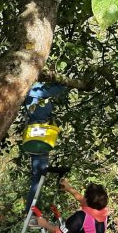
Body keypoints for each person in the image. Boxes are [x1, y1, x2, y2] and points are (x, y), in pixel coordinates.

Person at [21, 82, 68, 212]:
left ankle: (32, 210)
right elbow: (51, 90)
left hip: (40, 135)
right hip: (38, 135)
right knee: (39, 175)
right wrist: (64, 83)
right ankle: (31, 211)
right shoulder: (34, 88)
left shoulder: (36, 91)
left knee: (39, 175)